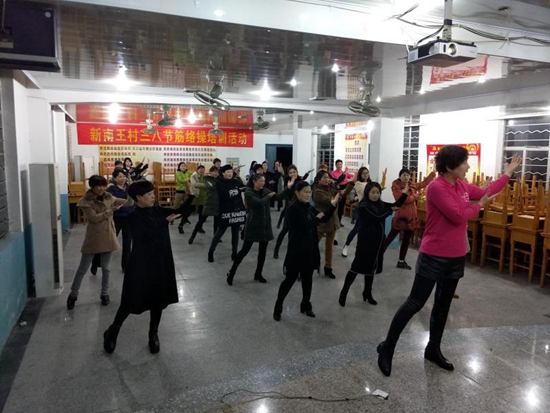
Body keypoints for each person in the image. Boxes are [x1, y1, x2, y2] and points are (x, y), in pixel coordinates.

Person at [376, 146, 521, 377]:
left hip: (455, 256)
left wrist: (508, 173)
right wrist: (480, 205)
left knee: (443, 305)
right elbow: (457, 216)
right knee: (415, 303)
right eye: (464, 163)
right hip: (433, 255)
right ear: (450, 166)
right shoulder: (436, 188)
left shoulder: (461, 185)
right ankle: (387, 348)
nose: (468, 166)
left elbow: (486, 190)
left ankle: (433, 348)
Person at [102, 180, 184, 355]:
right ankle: (113, 330)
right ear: (138, 197)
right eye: (149, 194)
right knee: (130, 299)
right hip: (141, 263)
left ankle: (153, 333)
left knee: (158, 299)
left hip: (160, 262)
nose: (153, 196)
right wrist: (164, 223)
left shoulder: (157, 210)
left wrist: (190, 195)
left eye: (153, 193)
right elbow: (145, 236)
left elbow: (179, 211)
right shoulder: (132, 216)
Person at [274, 181, 340, 321]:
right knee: (289, 280)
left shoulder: (308, 207)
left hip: (310, 249)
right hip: (296, 251)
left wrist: (333, 205)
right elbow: (304, 226)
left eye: (309, 192)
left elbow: (324, 218)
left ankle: (305, 305)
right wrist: (316, 219)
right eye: (305, 192)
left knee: (308, 279)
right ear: (297, 192)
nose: (308, 194)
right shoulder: (292, 209)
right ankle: (278, 306)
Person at [338, 181, 407, 307]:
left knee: (371, 268)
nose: (375, 195)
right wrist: (389, 210)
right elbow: (377, 217)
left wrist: (404, 194)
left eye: (378, 193)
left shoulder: (380, 204)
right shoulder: (363, 206)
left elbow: (395, 205)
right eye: (373, 192)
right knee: (356, 267)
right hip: (365, 241)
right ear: (367, 193)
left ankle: (367, 293)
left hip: (377, 240)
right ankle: (344, 292)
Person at [66, 175, 128, 310]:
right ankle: (73, 294)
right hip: (94, 237)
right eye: (98, 186)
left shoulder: (108, 197)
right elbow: (93, 218)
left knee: (106, 268)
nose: (101, 188)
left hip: (108, 235)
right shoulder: (85, 201)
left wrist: (134, 193)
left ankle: (104, 293)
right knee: (83, 268)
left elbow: (126, 202)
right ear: (92, 187)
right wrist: (110, 211)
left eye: (103, 186)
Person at [225, 173, 291, 285]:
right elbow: (259, 203)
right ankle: (231, 272)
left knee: (262, 252)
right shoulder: (249, 192)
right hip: (253, 225)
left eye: (264, 181)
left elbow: (278, 197)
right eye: (261, 181)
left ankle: (258, 273)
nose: (263, 183)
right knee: (244, 251)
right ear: (254, 181)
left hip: (265, 226)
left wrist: (287, 188)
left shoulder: (265, 191)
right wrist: (269, 196)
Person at [382, 168, 436, 270]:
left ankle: (401, 261)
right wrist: (416, 196)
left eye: (407, 175)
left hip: (411, 218)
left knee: (406, 240)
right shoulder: (396, 186)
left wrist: (433, 173)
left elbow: (424, 183)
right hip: (401, 217)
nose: (406, 177)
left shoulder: (412, 185)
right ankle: (377, 258)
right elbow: (403, 200)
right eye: (404, 175)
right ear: (400, 176)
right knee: (390, 238)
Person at [313, 170, 352, 278]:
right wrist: (338, 193)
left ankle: (328, 268)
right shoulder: (317, 191)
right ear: (318, 179)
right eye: (324, 177)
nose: (327, 179)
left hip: (332, 223)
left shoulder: (330, 188)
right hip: (321, 223)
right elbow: (332, 201)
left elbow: (342, 194)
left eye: (328, 177)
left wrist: (352, 183)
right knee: (312, 245)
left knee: (329, 247)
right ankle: (306, 266)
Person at [341, 167, 387, 257]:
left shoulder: (370, 183)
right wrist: (376, 190)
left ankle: (365, 250)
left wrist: (384, 177)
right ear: (360, 175)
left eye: (367, 173)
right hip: (363, 209)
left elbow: (379, 188)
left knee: (369, 231)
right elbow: (366, 192)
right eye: (364, 173)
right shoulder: (358, 183)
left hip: (372, 209)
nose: (366, 175)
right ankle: (346, 245)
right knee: (357, 229)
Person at [208, 165, 246, 263]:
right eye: (228, 172)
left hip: (236, 210)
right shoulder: (219, 183)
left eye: (231, 172)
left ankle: (234, 253)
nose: (230, 174)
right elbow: (225, 194)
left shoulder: (235, 181)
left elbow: (244, 187)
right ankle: (211, 251)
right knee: (220, 232)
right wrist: (238, 190)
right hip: (225, 211)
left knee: (235, 233)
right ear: (223, 173)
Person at [273, 164, 312, 258]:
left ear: (297, 172)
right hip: (290, 208)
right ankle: (276, 249)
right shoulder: (288, 181)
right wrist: (291, 183)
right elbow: (288, 193)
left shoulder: (300, 181)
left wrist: (307, 174)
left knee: (297, 232)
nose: (292, 174)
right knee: (285, 230)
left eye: (294, 172)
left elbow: (304, 185)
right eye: (290, 173)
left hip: (300, 209)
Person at [106, 168, 134, 272]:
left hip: (129, 217)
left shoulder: (129, 187)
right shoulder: (111, 189)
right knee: (110, 241)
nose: (122, 178)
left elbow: (134, 200)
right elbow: (110, 202)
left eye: (124, 176)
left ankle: (125, 266)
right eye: (120, 177)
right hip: (117, 217)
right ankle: (97, 261)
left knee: (127, 243)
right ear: (114, 178)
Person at [189, 166, 219, 244]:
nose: (216, 173)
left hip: (217, 203)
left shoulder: (219, 180)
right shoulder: (206, 178)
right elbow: (209, 186)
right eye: (214, 171)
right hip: (208, 203)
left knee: (217, 222)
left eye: (217, 172)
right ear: (210, 172)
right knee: (201, 220)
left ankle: (216, 237)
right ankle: (193, 235)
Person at [330, 159, 354, 227]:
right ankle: (333, 222)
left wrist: (348, 180)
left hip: (343, 192)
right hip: (335, 192)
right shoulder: (332, 173)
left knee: (341, 208)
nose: (339, 166)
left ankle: (339, 221)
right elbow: (336, 181)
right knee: (334, 207)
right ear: (335, 165)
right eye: (338, 164)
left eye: (340, 164)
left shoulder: (345, 173)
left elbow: (353, 177)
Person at [174, 161, 193, 234]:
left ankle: (185, 219)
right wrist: (188, 178)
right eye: (182, 166)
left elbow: (194, 174)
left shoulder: (188, 172)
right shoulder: (178, 173)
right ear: (179, 167)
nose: (183, 167)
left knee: (187, 207)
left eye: (184, 166)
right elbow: (181, 181)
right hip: (179, 191)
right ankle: (171, 218)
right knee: (176, 206)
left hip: (187, 192)